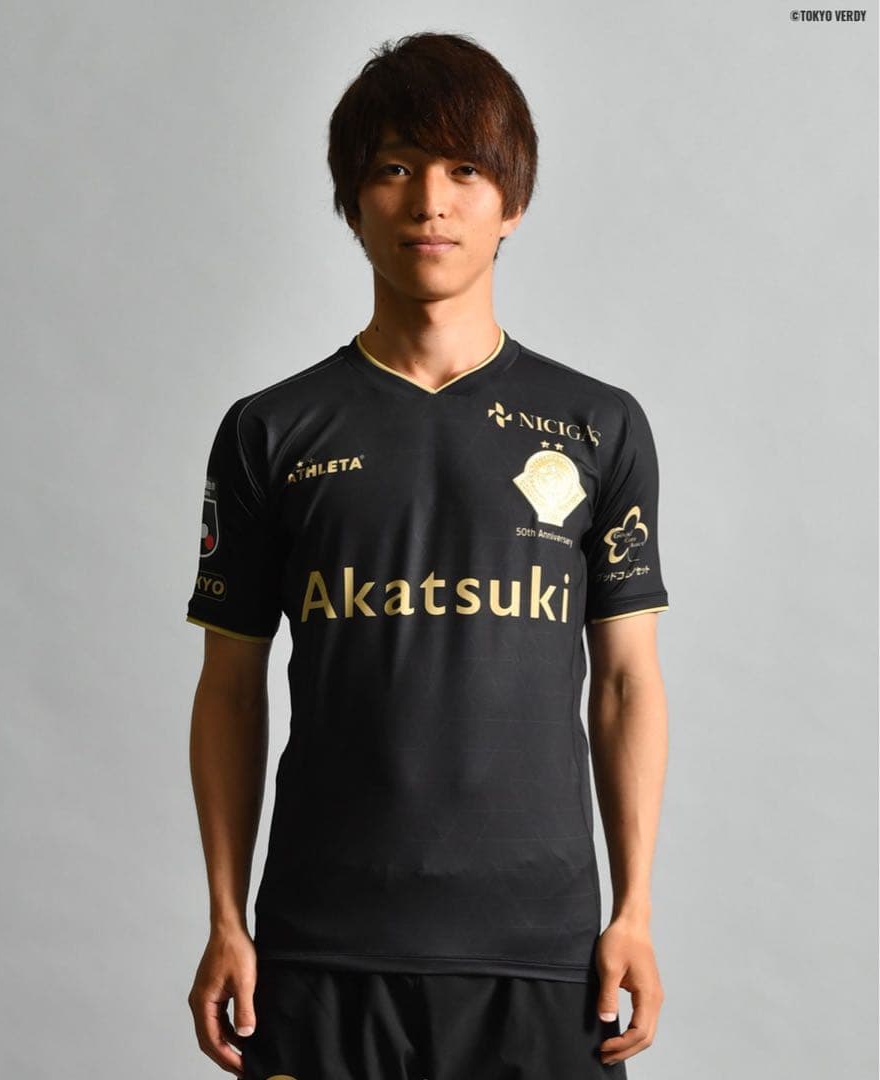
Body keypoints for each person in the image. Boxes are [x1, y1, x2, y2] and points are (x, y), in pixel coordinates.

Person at [185, 30, 669, 1080]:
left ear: (513, 201)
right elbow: (229, 685)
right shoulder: (272, 430)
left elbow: (627, 682)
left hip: (544, 957)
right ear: (354, 201)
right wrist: (226, 916)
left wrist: (633, 910)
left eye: (464, 171)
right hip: (322, 948)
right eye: (396, 169)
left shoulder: (598, 427)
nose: (430, 203)